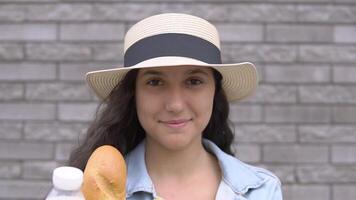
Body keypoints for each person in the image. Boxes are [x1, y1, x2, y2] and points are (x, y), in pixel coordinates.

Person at [68, 13, 283, 200]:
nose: (175, 105)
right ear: (133, 94)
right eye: (155, 82)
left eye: (193, 81)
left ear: (216, 92)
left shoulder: (262, 191)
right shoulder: (83, 192)